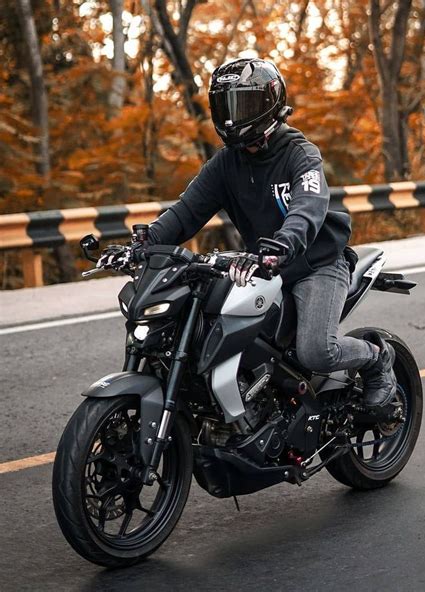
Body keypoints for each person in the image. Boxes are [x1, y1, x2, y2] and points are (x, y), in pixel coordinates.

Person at [147, 57, 396, 412]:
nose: (232, 116)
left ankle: (375, 358)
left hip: (316, 264)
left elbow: (307, 209)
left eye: (244, 104)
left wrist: (283, 244)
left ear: (270, 103)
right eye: (225, 105)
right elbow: (186, 212)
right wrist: (143, 243)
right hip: (262, 265)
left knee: (316, 351)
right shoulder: (225, 163)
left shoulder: (300, 154)